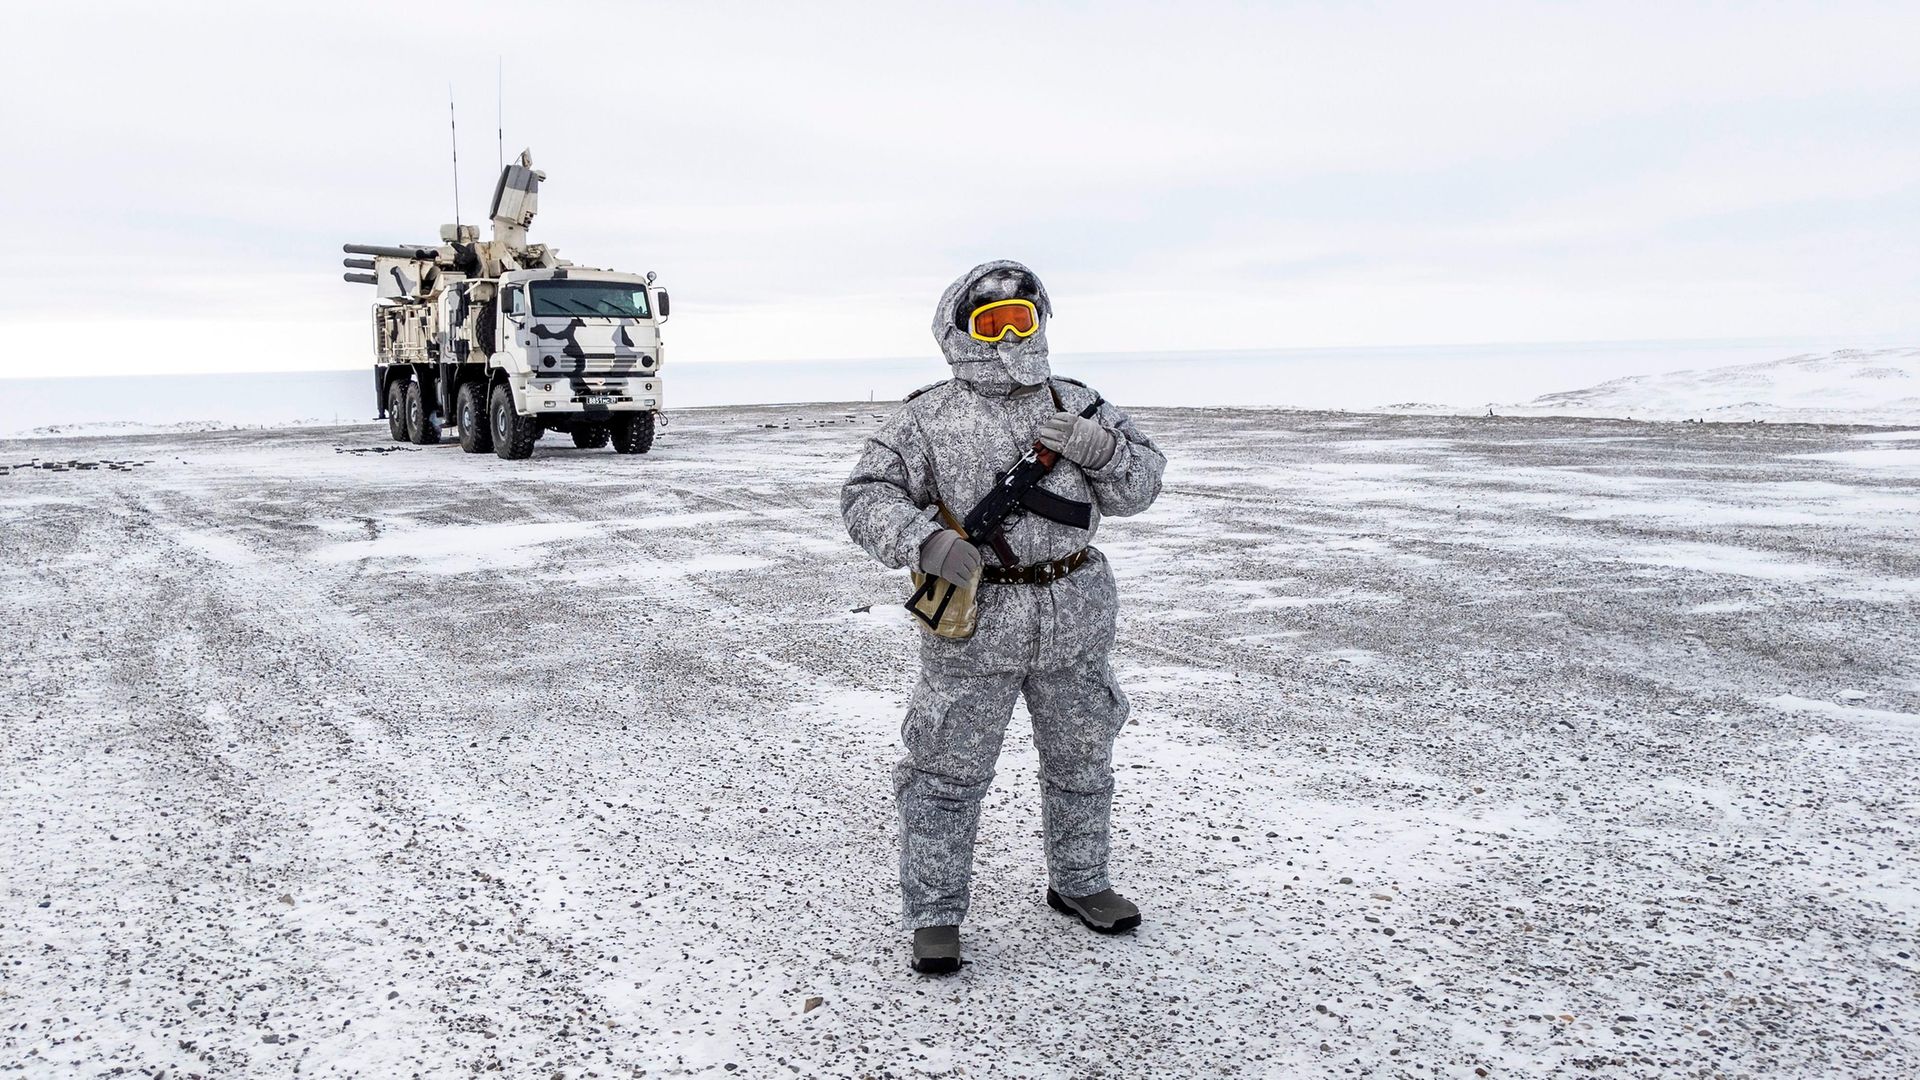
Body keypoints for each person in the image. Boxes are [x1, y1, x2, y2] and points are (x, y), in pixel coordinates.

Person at [841, 260, 1166, 974]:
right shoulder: (926, 417)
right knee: (945, 773)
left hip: (1074, 614)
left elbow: (1143, 486)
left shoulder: (1079, 404)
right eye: (991, 323)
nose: (1010, 337)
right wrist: (922, 541)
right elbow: (865, 495)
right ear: (958, 332)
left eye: (1023, 319)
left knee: (1084, 758)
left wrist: (1104, 450)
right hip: (973, 623)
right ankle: (934, 915)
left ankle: (1080, 882)